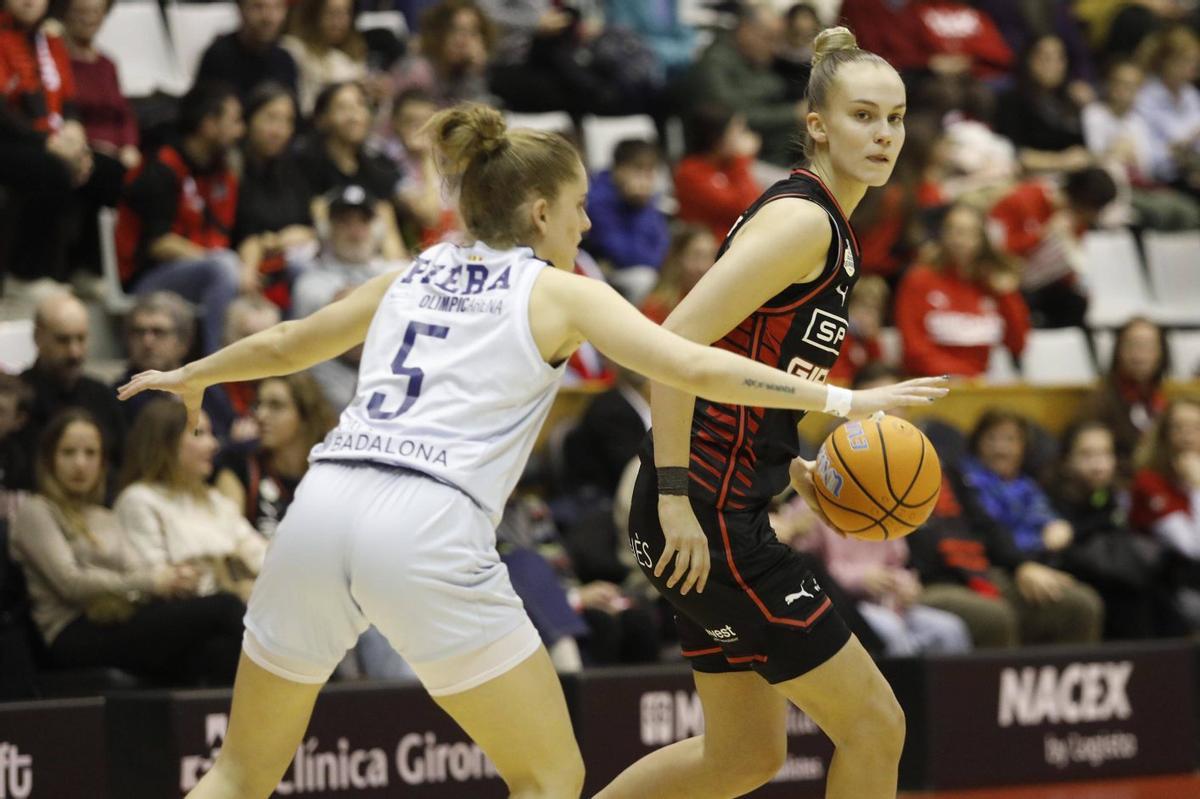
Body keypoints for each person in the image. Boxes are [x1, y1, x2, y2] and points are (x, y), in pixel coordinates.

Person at [118, 101, 945, 799]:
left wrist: (196, 372)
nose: (588, 222)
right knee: (550, 779)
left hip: (321, 507)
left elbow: (293, 339)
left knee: (239, 772)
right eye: (580, 205)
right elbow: (688, 359)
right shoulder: (563, 291)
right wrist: (844, 397)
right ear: (541, 212)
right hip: (425, 523)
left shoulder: (419, 268)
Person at [603, 27, 921, 799]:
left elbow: (751, 371)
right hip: (701, 513)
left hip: (722, 502)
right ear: (817, 124)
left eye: (896, 118)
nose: (884, 135)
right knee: (878, 724)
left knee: (741, 757)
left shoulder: (830, 228)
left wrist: (789, 468)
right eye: (863, 117)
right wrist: (677, 494)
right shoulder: (804, 221)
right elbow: (672, 343)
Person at [10, 408, 247, 686]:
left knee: (214, 651)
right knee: (225, 608)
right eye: (68, 453)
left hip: (120, 618)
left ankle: (230, 725)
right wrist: (151, 581)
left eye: (90, 453)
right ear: (49, 460)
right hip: (72, 630)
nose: (80, 464)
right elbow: (69, 582)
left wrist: (174, 579)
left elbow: (139, 571)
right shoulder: (36, 511)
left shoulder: (104, 515)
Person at [114, 82, 250, 355]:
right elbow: (158, 244)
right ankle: (215, 367)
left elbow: (235, 232)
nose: (241, 131)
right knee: (223, 267)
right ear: (209, 124)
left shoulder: (221, 170)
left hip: (202, 271)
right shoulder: (163, 168)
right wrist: (222, 262)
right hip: (148, 278)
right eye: (234, 121)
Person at [115, 399, 267, 606]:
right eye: (199, 433)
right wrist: (232, 586)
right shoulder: (139, 500)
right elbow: (158, 581)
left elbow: (259, 554)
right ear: (166, 443)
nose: (213, 445)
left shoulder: (213, 500)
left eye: (211, 434)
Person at [1051, 418, 1174, 640]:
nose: (1098, 464)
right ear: (1066, 459)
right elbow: (1062, 544)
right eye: (1086, 455)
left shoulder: (1114, 494)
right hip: (1083, 580)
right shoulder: (1053, 497)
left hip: (1122, 579)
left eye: (1105, 454)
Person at [0, 0, 93, 283]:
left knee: (107, 172)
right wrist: (47, 142)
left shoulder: (51, 41)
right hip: (10, 140)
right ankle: (27, 277)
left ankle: (84, 274)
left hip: (47, 138)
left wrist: (76, 135)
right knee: (51, 170)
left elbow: (68, 101)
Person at [894, 202, 1030, 378]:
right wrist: (960, 376)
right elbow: (913, 347)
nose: (961, 240)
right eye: (954, 231)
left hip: (980, 385)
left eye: (970, 233)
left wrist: (1007, 296)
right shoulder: (919, 279)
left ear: (983, 239)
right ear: (943, 235)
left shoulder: (992, 285)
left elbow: (1018, 344)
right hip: (930, 384)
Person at [215, 373, 335, 538]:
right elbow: (228, 538)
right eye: (258, 404)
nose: (261, 415)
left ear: (306, 415)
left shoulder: (332, 475)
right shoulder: (240, 464)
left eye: (276, 406)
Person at [296, 81, 407, 261]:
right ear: (322, 118)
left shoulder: (378, 163)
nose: (354, 116)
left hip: (372, 257)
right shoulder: (304, 164)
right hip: (322, 258)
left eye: (360, 105)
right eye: (343, 108)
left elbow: (391, 219)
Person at [233, 83, 317, 310]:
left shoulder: (293, 170)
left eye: (287, 121)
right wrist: (269, 243)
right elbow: (241, 232)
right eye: (271, 118)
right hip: (246, 267)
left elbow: (310, 226)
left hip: (289, 263)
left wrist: (289, 238)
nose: (279, 130)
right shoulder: (232, 168)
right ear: (249, 120)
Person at [683, 3, 799, 166]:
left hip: (765, 157)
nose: (775, 49)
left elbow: (773, 87)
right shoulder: (714, 64)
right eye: (769, 38)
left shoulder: (756, 60)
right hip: (719, 166)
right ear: (745, 31)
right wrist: (794, 113)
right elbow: (734, 118)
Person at [20, 291, 125, 468]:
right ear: (38, 338)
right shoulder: (17, 398)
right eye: (63, 340)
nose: (74, 352)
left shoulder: (102, 396)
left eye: (81, 339)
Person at [1130, 397, 1200, 629]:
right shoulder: (1150, 481)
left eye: (1196, 428)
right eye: (1179, 427)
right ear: (1164, 434)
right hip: (1172, 583)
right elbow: (1192, 548)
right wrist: (1198, 487)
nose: (1187, 436)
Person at [584, 139, 670, 304]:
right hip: (607, 274)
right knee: (645, 279)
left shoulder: (647, 201)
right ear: (619, 169)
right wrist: (637, 207)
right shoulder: (598, 199)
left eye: (650, 171)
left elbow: (663, 248)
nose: (645, 179)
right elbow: (624, 256)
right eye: (638, 169)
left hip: (647, 266)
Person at [1083, 315, 1171, 474]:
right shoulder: (1100, 401)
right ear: (1118, 351)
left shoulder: (1166, 400)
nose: (1139, 355)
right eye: (1132, 345)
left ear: (1161, 353)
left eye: (1148, 347)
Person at [673, 103, 764, 245]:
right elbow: (746, 208)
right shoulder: (690, 172)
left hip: (742, 243)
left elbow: (758, 201)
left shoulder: (727, 164)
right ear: (716, 138)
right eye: (738, 131)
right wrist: (741, 159)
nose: (744, 137)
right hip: (714, 253)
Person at [195, 0, 298, 102]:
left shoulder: (285, 60)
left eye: (277, 7)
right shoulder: (218, 57)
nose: (269, 17)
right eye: (258, 7)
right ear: (240, 9)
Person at [282, 0, 368, 114]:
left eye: (345, 13)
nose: (338, 21)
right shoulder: (293, 49)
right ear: (314, 14)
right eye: (331, 13)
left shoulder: (356, 54)